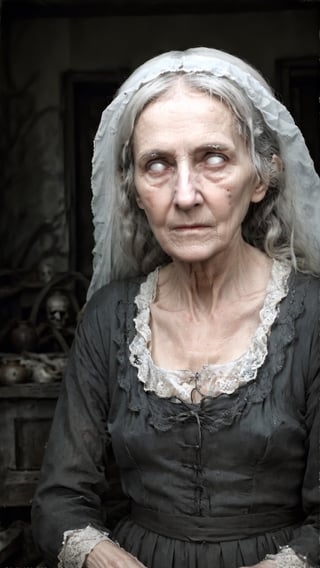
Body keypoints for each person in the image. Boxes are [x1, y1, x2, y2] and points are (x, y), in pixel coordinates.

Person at [31, 47, 320, 568]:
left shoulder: (315, 318)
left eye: (213, 158)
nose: (184, 195)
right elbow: (58, 500)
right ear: (136, 191)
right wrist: (102, 556)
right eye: (158, 164)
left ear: (260, 179)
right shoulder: (109, 318)